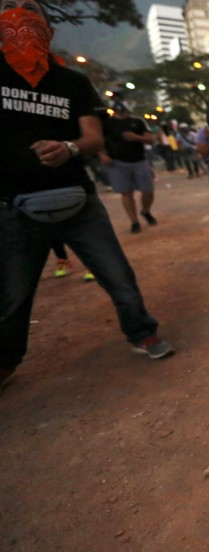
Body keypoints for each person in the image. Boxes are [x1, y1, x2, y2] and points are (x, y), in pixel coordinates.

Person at [1, 0, 175, 388]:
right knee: (12, 294)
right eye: (9, 12)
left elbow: (92, 137)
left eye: (29, 12)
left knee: (116, 273)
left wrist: (69, 149)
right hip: (14, 205)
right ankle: (6, 360)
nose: (19, 19)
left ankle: (143, 332)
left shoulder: (72, 82)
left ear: (49, 31)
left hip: (75, 197)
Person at [100, 101, 158, 234]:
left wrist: (136, 137)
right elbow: (100, 141)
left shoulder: (138, 121)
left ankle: (145, 210)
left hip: (139, 160)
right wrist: (101, 155)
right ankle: (134, 221)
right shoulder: (107, 124)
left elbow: (150, 139)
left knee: (148, 190)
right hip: (117, 162)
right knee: (126, 193)